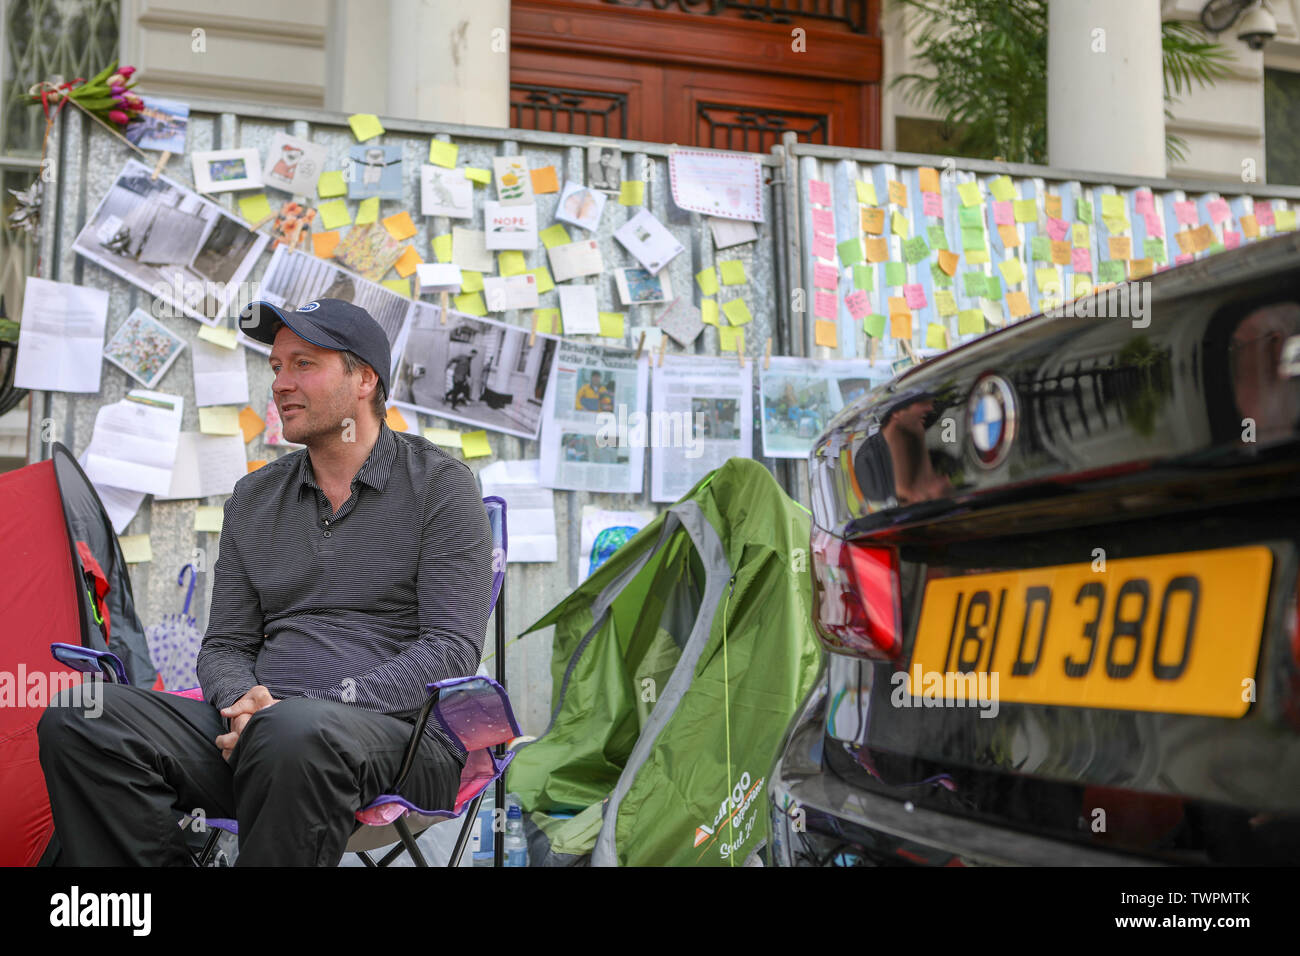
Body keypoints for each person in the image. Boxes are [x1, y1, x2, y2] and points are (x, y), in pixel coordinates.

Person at [38, 298, 494, 866]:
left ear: (364, 379)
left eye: (303, 364)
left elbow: (450, 652)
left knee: (294, 732)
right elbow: (228, 646)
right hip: (257, 738)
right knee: (81, 717)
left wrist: (292, 709)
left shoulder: (441, 486)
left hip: (399, 740)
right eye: (277, 367)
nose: (280, 383)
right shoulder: (254, 498)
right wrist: (241, 705)